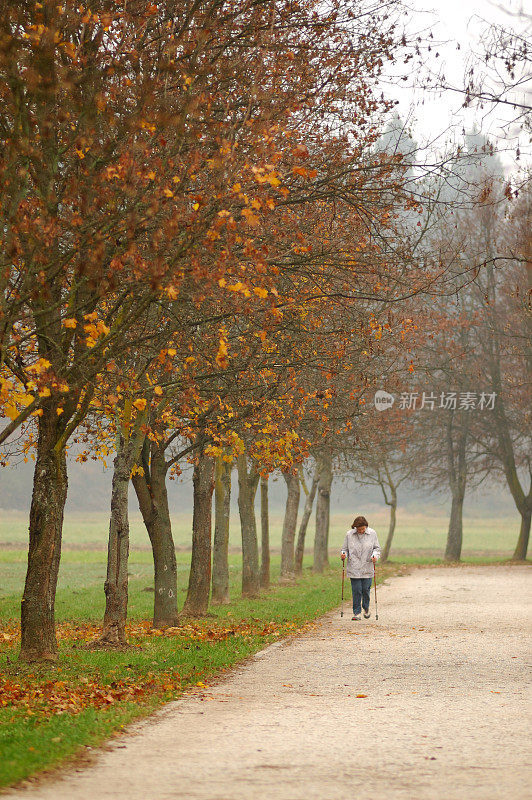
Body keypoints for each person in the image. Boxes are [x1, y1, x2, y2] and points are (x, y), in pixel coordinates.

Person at [341, 515, 380, 620]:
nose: (361, 531)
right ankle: (356, 613)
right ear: (355, 527)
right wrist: (343, 554)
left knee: (365, 590)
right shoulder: (349, 535)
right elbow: (345, 549)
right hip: (354, 567)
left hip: (367, 566)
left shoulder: (372, 533)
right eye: (359, 529)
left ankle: (366, 608)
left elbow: (377, 548)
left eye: (362, 529)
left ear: (366, 527)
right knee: (357, 590)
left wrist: (375, 556)